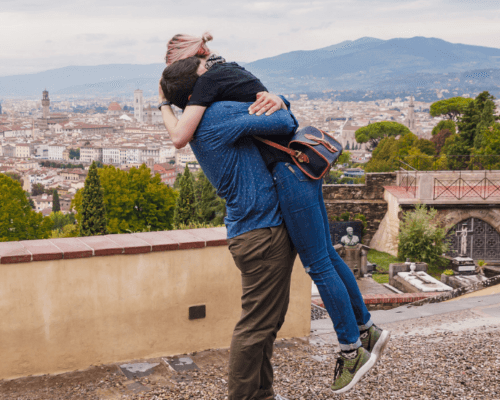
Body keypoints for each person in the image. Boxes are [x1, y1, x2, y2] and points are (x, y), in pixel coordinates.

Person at [158, 33, 390, 397]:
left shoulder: (201, 122)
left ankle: (264, 393)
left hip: (254, 231)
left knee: (267, 322)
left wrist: (164, 106)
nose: (215, 76)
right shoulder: (218, 115)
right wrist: (279, 101)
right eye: (206, 74)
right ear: (196, 93)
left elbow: (180, 130)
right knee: (257, 326)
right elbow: (285, 122)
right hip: (261, 232)